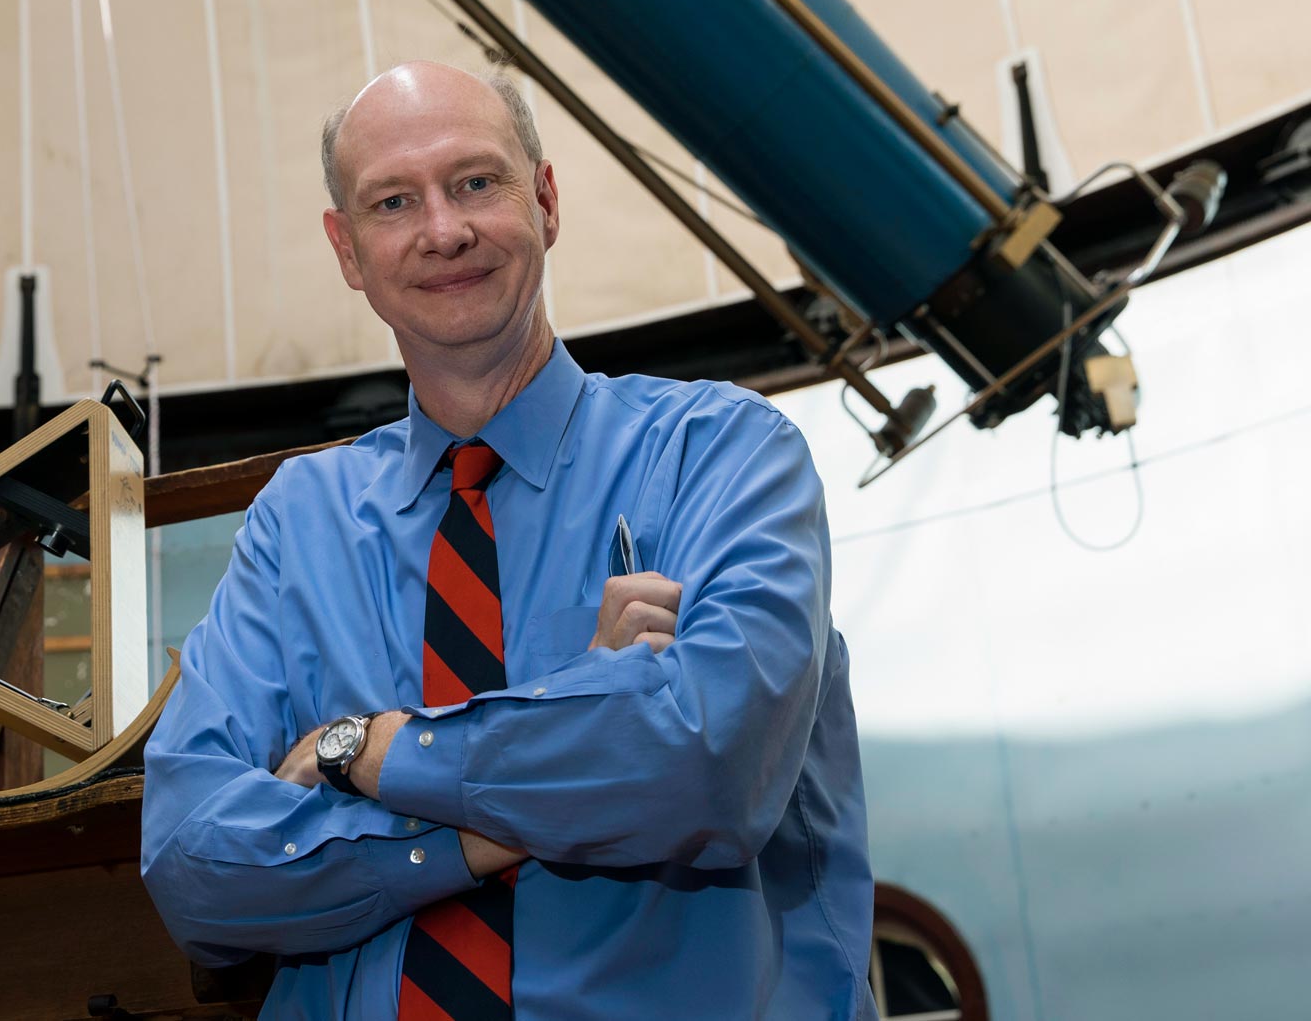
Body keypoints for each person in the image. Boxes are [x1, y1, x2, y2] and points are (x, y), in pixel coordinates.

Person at [141, 61, 874, 1018]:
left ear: (546, 198)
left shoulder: (721, 450)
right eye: (394, 201)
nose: (443, 230)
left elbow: (704, 767)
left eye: (476, 182)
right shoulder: (296, 520)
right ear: (348, 250)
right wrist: (559, 758)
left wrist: (360, 749)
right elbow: (195, 865)